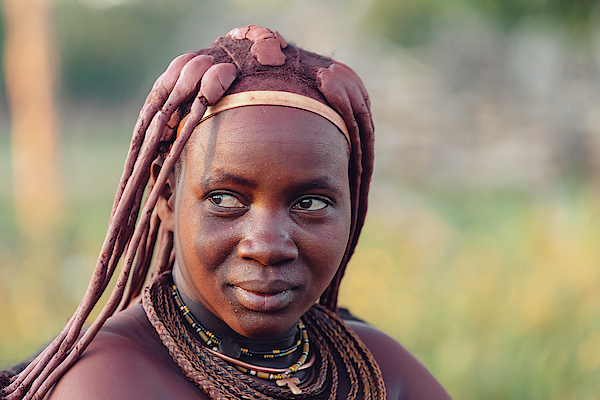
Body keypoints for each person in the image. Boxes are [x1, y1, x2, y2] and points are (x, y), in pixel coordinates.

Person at [1, 25, 452, 400]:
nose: (268, 247)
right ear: (167, 196)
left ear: (351, 205)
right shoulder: (113, 380)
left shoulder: (378, 371)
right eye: (224, 199)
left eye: (310, 203)